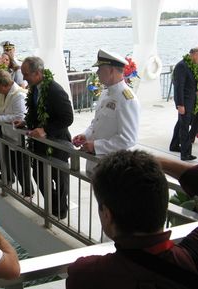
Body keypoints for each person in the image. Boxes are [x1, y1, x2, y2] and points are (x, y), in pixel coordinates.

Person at [66, 150, 198, 289]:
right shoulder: (191, 259)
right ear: (162, 204)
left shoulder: (86, 275)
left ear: (107, 214)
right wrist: (159, 163)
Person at [15, 56, 74, 219]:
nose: (24, 78)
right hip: (40, 143)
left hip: (57, 143)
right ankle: (54, 208)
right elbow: (35, 113)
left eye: (26, 74)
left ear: (38, 72)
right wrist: (26, 122)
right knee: (39, 176)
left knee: (59, 179)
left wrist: (46, 130)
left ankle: (60, 213)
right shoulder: (34, 88)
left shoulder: (55, 90)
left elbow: (68, 118)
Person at [72, 49, 140, 173]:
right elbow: (96, 123)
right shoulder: (105, 93)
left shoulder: (127, 99)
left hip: (113, 168)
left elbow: (128, 139)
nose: (97, 72)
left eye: (100, 68)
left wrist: (96, 146)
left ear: (111, 70)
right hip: (96, 165)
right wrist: (85, 135)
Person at [0, 69, 32, 196]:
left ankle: (28, 192)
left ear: (3, 85)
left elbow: (20, 117)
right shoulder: (4, 94)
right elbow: (1, 109)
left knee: (21, 167)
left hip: (19, 138)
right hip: (8, 135)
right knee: (14, 164)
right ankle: (27, 190)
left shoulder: (19, 96)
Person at [169, 47, 198, 161]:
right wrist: (180, 104)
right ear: (194, 54)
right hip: (184, 103)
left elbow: (190, 83)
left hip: (190, 101)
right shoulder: (182, 66)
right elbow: (178, 87)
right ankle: (185, 154)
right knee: (184, 128)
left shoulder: (191, 66)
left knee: (181, 124)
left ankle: (174, 146)